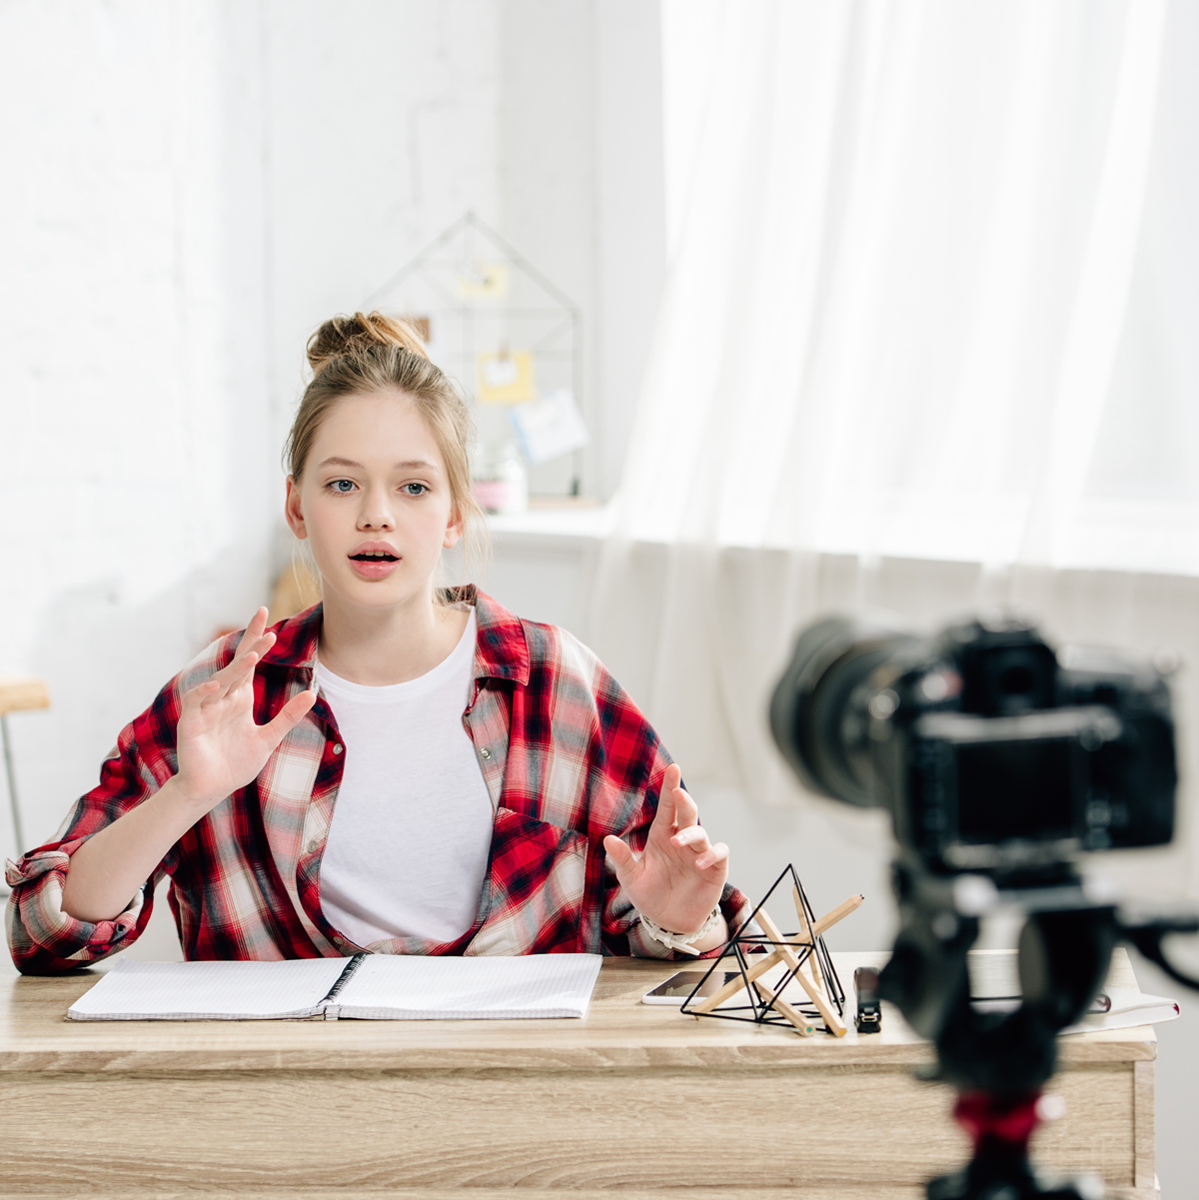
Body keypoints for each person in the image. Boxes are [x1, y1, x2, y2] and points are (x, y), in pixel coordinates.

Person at [6, 313, 748, 974]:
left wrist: (675, 916)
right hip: (281, 1107)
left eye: (414, 488)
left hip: (517, 1103)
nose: (376, 516)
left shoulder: (554, 681)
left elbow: (676, 928)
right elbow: (43, 934)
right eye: (340, 486)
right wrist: (188, 793)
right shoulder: (230, 689)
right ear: (296, 507)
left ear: (456, 513)